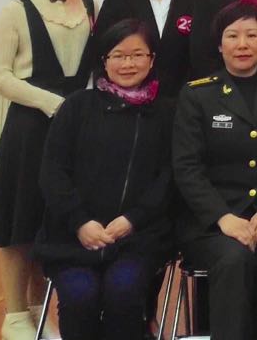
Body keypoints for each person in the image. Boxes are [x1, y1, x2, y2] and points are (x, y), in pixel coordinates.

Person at [0, 0, 97, 340]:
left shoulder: (90, 5)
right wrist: (52, 104)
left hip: (77, 129)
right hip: (30, 128)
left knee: (55, 221)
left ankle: (39, 310)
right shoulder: (15, 10)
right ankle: (14, 315)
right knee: (20, 221)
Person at [35, 18, 174, 340]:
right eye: (118, 56)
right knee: (80, 294)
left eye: (137, 55)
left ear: (152, 59)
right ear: (104, 61)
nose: (128, 64)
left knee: (123, 290)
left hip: (138, 238)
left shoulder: (167, 113)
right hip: (73, 238)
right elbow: (53, 172)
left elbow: (169, 177)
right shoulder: (77, 106)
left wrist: (132, 220)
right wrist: (80, 223)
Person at [173, 2, 257, 340]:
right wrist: (222, 217)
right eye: (232, 36)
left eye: (252, 35)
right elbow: (187, 167)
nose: (242, 44)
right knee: (234, 259)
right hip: (211, 221)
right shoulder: (197, 94)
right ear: (220, 45)